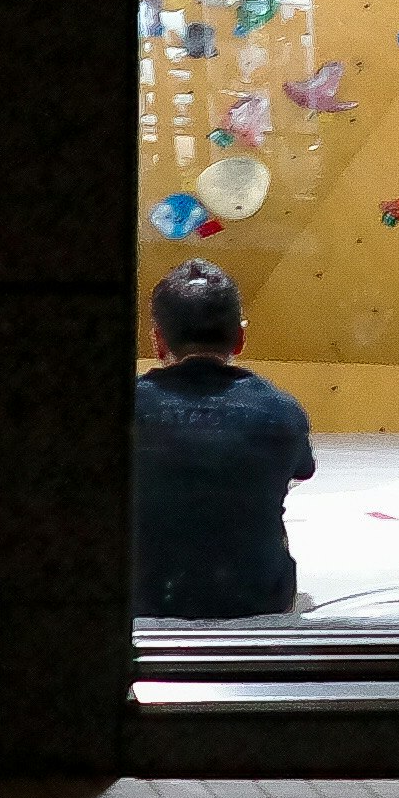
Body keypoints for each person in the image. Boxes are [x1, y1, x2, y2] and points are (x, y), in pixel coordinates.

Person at [131, 260, 316, 621]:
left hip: (146, 600)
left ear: (158, 339)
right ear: (240, 338)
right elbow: (300, 471)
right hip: (259, 602)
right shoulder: (282, 410)